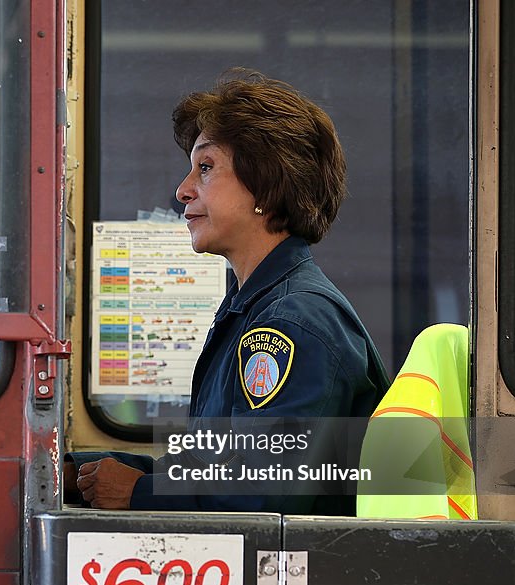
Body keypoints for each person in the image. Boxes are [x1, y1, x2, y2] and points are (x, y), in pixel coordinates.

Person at [66, 69, 390, 513]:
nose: (183, 190)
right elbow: (214, 468)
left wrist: (140, 493)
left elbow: (261, 493)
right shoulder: (252, 307)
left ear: (267, 187)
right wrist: (91, 471)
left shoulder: (291, 322)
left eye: (206, 168)